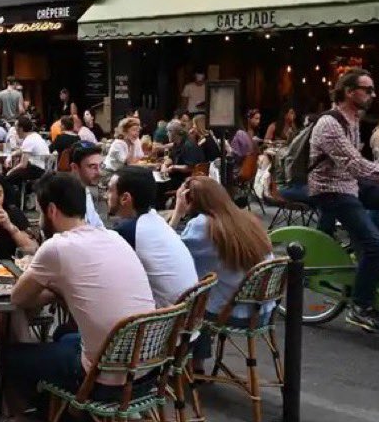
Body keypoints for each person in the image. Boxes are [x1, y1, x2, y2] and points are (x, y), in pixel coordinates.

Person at [6, 173, 155, 418]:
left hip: (104, 380)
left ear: (51, 210)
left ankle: (24, 421)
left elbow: (18, 299)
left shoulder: (56, 247)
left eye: (40, 211)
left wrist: (53, 290)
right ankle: (66, 413)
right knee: (64, 336)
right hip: (148, 371)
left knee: (12, 357)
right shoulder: (113, 236)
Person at [309, 69, 379, 333]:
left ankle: (372, 253)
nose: (373, 94)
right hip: (332, 190)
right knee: (374, 245)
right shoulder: (330, 123)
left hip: (352, 185)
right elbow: (357, 165)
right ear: (350, 92)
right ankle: (360, 307)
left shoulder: (353, 119)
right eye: (368, 89)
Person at [168, 176, 273, 369]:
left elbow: (168, 251)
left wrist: (177, 213)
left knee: (186, 300)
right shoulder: (246, 220)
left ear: (189, 199)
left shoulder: (203, 225)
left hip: (233, 312)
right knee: (204, 292)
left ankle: (187, 364)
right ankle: (195, 364)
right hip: (262, 311)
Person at [108, 166, 198, 307]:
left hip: (163, 321)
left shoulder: (128, 231)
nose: (106, 195)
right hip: (187, 313)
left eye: (110, 190)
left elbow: (109, 276)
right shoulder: (154, 219)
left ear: (125, 198)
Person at [161, 119, 206, 194]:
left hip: (186, 180)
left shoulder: (189, 145)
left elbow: (190, 167)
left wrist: (173, 167)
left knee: (158, 184)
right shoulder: (176, 144)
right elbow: (171, 158)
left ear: (176, 133)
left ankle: (158, 205)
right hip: (177, 177)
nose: (167, 134)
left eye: (169, 131)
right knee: (155, 178)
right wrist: (165, 165)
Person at [6, 115, 49, 188]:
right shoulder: (35, 135)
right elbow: (21, 150)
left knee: (8, 179)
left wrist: (10, 171)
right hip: (43, 168)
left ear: (21, 129)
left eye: (16, 128)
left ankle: (16, 197)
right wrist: (10, 155)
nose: (15, 131)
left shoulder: (28, 140)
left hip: (36, 170)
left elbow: (23, 164)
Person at [69, 142, 105, 228]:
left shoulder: (85, 190)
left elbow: (97, 225)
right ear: (75, 168)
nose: (100, 172)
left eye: (101, 166)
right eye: (92, 167)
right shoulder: (67, 197)